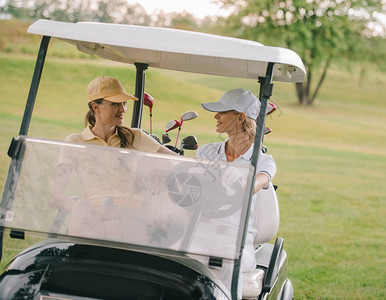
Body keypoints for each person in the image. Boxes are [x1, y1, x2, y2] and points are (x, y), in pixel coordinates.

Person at [49, 76, 181, 244]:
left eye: (124, 103)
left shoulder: (135, 137)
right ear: (95, 107)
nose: (122, 109)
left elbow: (178, 162)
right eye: (115, 104)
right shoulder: (75, 142)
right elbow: (55, 195)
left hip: (132, 219)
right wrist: (81, 209)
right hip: (92, 220)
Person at [195, 88, 276, 299]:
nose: (216, 116)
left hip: (237, 241)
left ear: (240, 117)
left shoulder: (262, 161)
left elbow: (260, 181)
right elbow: (195, 187)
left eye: (222, 112)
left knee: (228, 259)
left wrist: (243, 182)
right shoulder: (207, 152)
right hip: (202, 234)